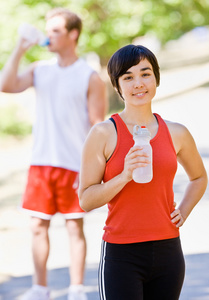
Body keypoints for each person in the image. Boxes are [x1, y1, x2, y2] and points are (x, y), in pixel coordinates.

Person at [78, 44, 208, 300]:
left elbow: (199, 177)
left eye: (145, 73)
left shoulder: (177, 132)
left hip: (168, 251)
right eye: (128, 77)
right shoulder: (103, 133)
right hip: (121, 255)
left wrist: (183, 210)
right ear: (117, 86)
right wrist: (125, 175)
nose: (138, 83)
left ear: (156, 78)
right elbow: (86, 200)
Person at [0, 7, 107, 300]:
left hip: (74, 164)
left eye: (56, 30)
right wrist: (20, 49)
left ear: (73, 34)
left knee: (74, 227)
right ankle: (40, 288)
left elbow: (99, 129)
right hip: (41, 163)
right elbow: (5, 85)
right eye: (47, 30)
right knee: (37, 226)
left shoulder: (90, 77)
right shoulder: (40, 70)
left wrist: (94, 170)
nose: (49, 35)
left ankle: (75, 290)